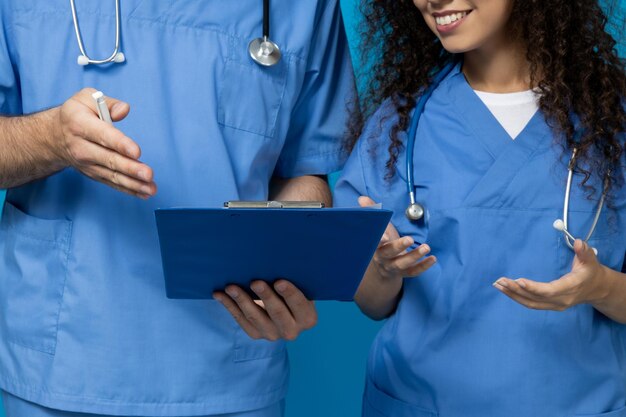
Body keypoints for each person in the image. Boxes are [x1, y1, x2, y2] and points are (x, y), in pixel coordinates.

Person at [0, 1, 354, 416]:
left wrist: (288, 274)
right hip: (63, 367)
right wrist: (52, 139)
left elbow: (306, 168)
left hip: (232, 368)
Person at [334, 0, 626, 416]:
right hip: (420, 402)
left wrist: (601, 287)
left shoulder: (611, 124)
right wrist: (382, 270)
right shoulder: (397, 127)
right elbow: (372, 303)